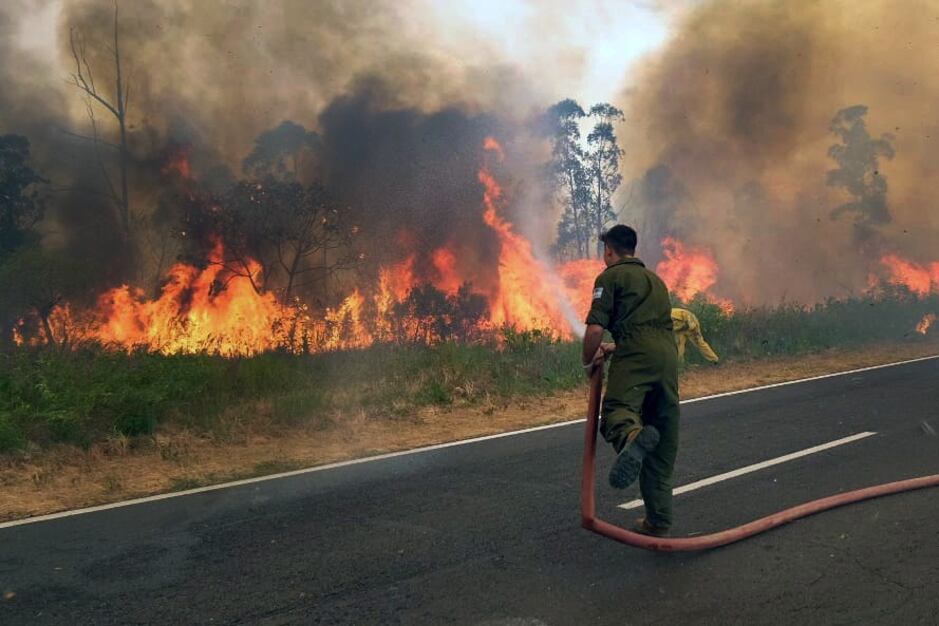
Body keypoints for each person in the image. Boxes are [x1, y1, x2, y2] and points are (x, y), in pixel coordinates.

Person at [582, 225, 680, 537]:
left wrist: (589, 359)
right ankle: (658, 520)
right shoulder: (657, 281)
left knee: (616, 413)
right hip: (667, 359)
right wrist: (620, 344)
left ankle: (632, 437)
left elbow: (595, 330)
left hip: (635, 357)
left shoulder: (610, 277)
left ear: (609, 251)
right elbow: (649, 329)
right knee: (662, 438)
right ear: (633, 249)